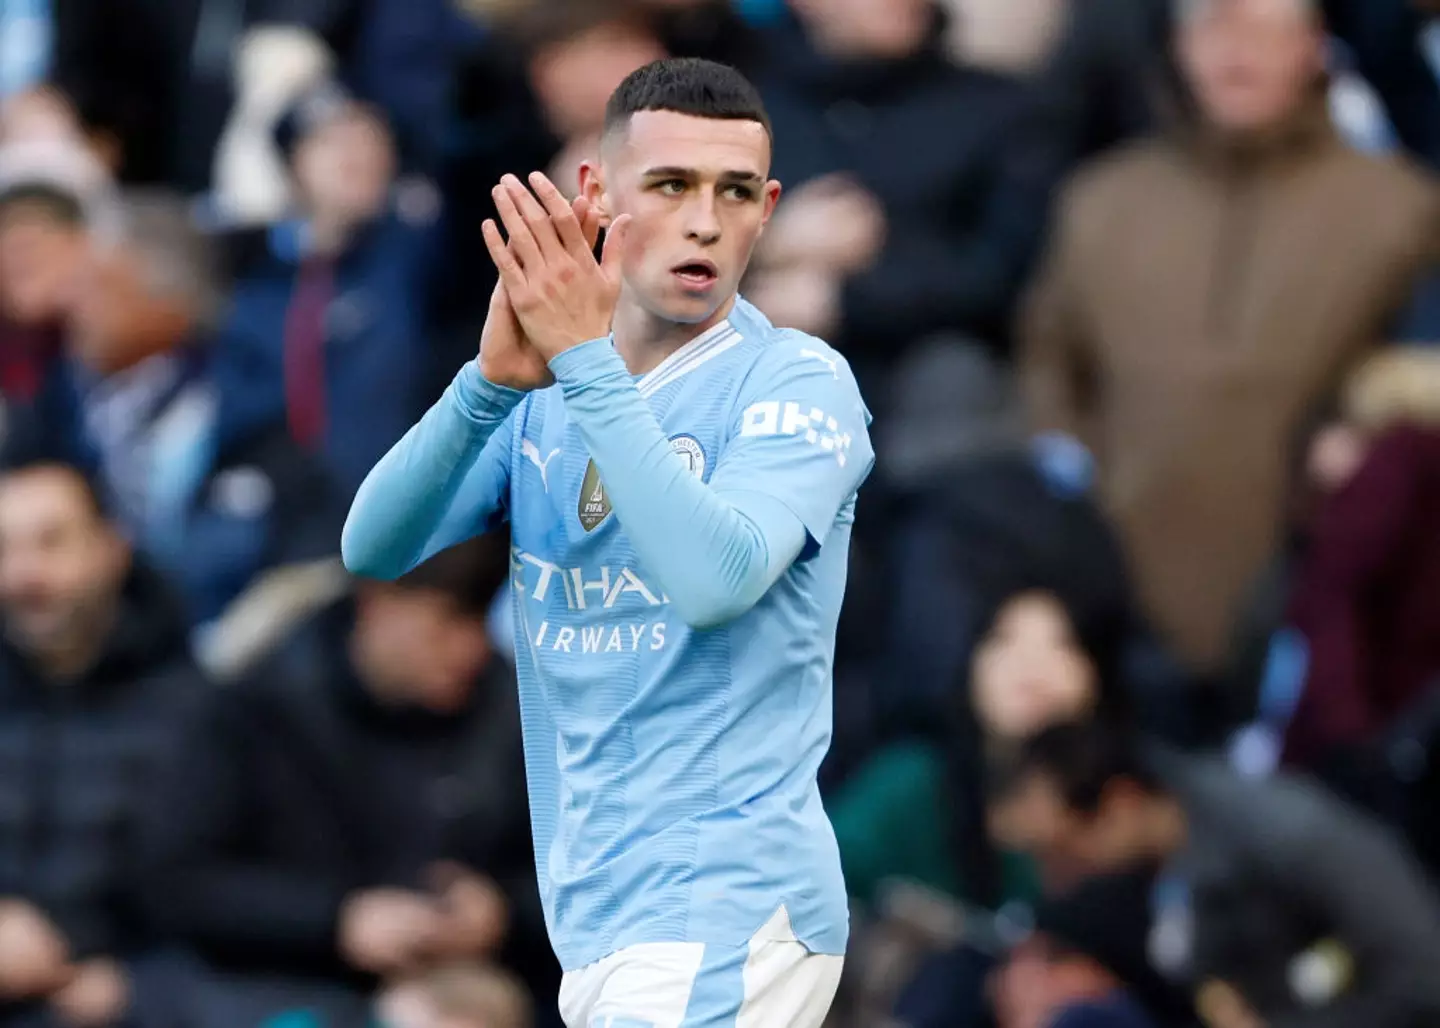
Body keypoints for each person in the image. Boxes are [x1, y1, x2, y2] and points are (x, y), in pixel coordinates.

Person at [343, 57, 874, 1027]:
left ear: (768, 209)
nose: (705, 220)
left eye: (736, 192)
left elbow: (717, 578)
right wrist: (488, 384)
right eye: (671, 185)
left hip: (731, 903)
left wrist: (584, 361)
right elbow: (374, 544)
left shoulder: (798, 382)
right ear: (596, 193)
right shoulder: (543, 397)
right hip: (599, 913)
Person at [994, 721, 1440, 1028]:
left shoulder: (1285, 832)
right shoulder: (1151, 865)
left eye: (1056, 849)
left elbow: (1425, 977)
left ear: (1120, 804)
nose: (1053, 877)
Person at [0, 450, 205, 1028]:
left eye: (50, 542)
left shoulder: (198, 712)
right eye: (5, 549)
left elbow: (222, 899)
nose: (23, 575)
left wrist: (137, 989)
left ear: (112, 550)